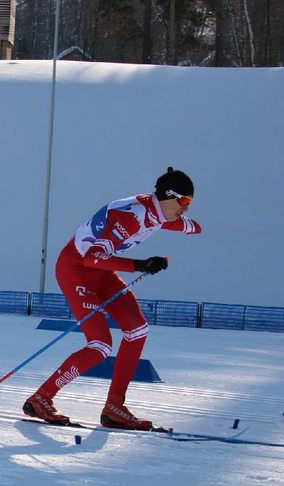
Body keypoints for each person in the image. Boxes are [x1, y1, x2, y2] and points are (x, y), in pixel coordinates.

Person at [23, 167, 202, 430]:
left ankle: (115, 407)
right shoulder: (130, 217)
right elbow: (91, 257)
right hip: (77, 270)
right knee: (100, 345)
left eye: (190, 202)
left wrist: (193, 227)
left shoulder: (158, 213)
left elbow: (190, 226)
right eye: (184, 201)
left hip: (102, 272)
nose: (186, 208)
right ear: (167, 196)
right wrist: (140, 265)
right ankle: (41, 398)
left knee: (138, 330)